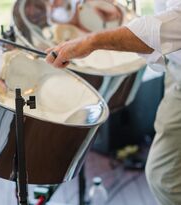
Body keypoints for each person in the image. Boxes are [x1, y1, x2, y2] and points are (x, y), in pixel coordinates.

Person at [46, 0, 181, 204]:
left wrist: (91, 42)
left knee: (165, 176)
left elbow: (174, 27)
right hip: (177, 67)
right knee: (164, 175)